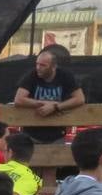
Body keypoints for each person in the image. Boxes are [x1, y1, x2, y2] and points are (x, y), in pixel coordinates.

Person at [14, 43, 84, 184]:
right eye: (37, 64)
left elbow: (80, 98)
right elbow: (18, 99)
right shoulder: (32, 75)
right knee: (30, 173)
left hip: (55, 134)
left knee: (50, 173)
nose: (38, 67)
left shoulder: (65, 76)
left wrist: (56, 107)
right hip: (32, 134)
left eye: (43, 65)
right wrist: (41, 104)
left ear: (53, 67)